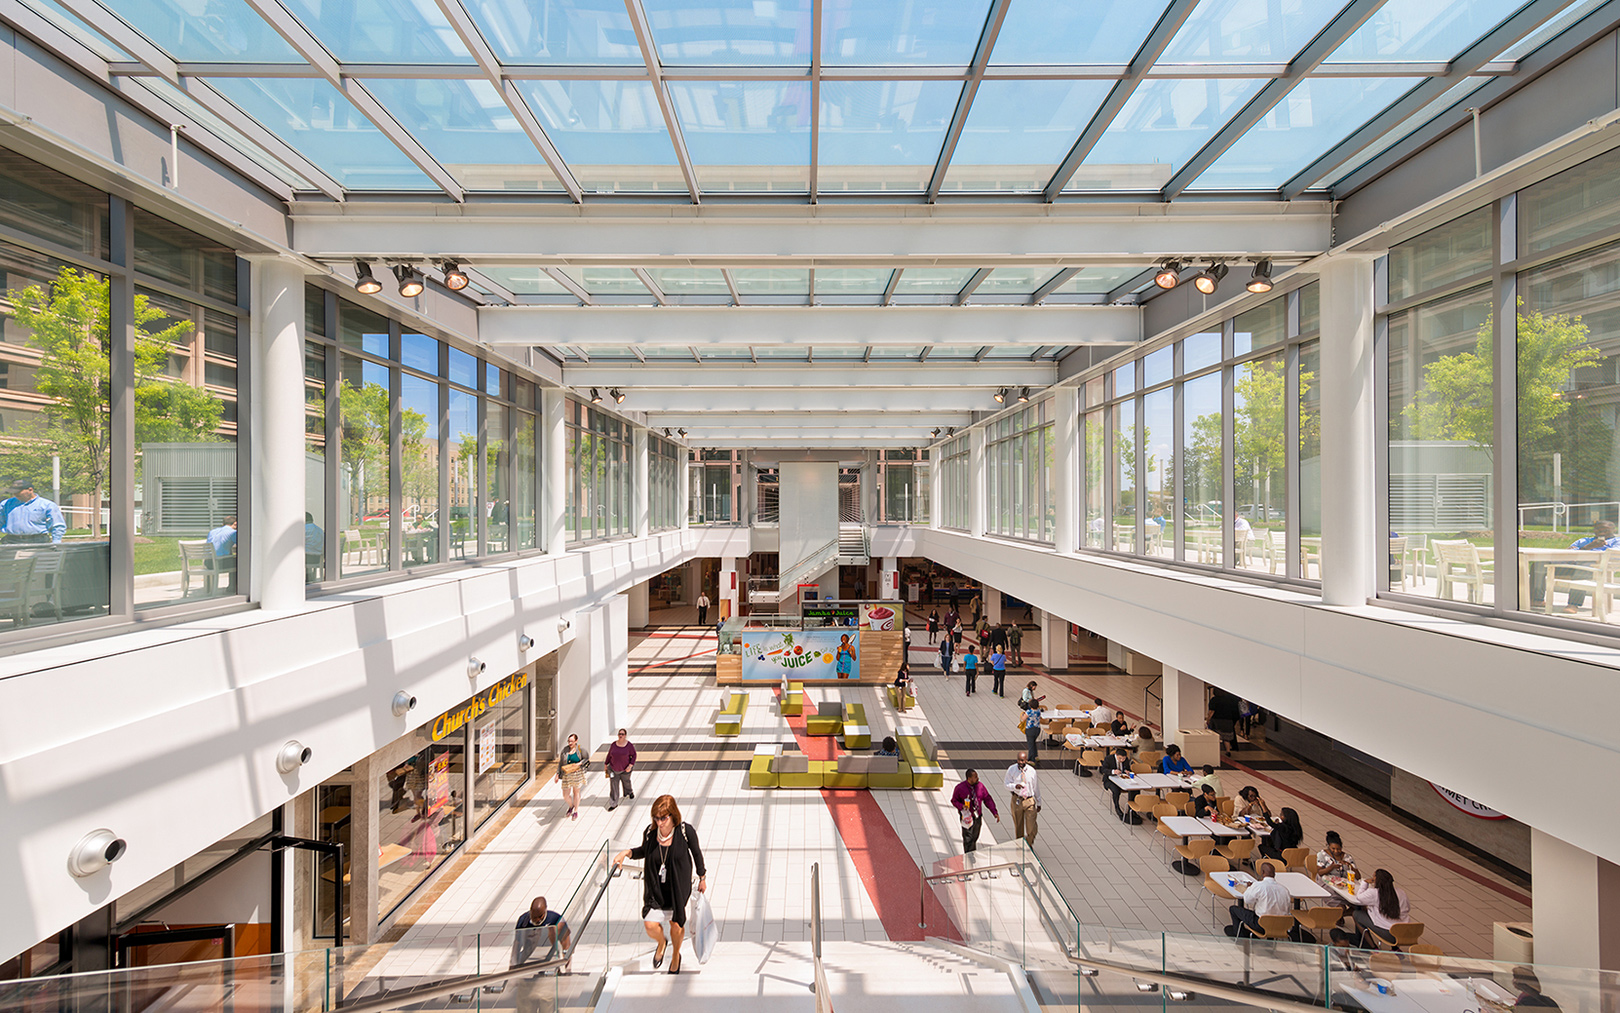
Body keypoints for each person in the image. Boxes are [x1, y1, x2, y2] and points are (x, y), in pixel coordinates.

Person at [613, 795, 706, 976]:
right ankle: (662, 943)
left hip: (678, 887)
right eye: (656, 818)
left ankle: (676, 956)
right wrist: (626, 853)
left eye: (663, 818)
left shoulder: (685, 831)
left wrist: (702, 877)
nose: (660, 822)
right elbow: (644, 851)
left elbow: (696, 854)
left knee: (676, 924)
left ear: (673, 816)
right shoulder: (650, 832)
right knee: (649, 924)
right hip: (656, 889)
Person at [1540, 520, 1620, 612]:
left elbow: (1612, 554)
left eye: (1605, 530)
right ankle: (1537, 599)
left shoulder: (1617, 541)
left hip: (1596, 568)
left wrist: (1584, 550)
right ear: (1594, 530)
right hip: (1572, 566)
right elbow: (1567, 552)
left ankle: (1573, 604)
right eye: (1598, 529)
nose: (1601, 532)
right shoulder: (1584, 540)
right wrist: (1588, 547)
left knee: (1584, 566)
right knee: (1540, 564)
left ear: (1614, 529)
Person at [1333, 868, 1411, 948]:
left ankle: (1372, 947)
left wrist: (1365, 883)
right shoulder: (1401, 892)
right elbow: (1407, 908)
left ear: (1375, 881)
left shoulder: (1374, 893)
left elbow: (1359, 898)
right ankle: (1395, 948)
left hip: (1390, 934)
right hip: (1405, 932)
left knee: (1357, 914)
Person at [1225, 862, 1292, 938]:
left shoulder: (1259, 886)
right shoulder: (1285, 890)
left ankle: (1240, 935)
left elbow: (1247, 900)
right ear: (1274, 874)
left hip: (1262, 925)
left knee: (1233, 909)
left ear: (1262, 872)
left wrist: (1250, 888)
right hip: (1281, 926)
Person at [511, 895, 571, 969]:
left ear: (545, 910)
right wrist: (513, 965)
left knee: (557, 929)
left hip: (549, 940)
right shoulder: (523, 921)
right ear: (531, 912)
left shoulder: (554, 919)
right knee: (524, 953)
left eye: (540, 916)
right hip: (530, 939)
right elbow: (517, 944)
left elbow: (566, 938)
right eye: (534, 917)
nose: (537, 920)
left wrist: (565, 957)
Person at [952, 769, 1001, 853]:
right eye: (975, 777)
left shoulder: (980, 786)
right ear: (969, 778)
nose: (977, 778)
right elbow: (954, 800)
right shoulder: (960, 788)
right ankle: (969, 856)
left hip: (977, 816)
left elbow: (987, 799)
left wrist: (994, 812)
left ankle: (972, 852)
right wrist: (961, 806)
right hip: (966, 817)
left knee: (974, 836)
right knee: (968, 838)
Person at [2, 480, 65, 544]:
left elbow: (57, 525)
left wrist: (56, 542)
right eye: (13, 492)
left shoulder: (47, 505)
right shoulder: (6, 504)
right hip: (12, 540)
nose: (15, 494)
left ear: (30, 490)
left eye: (18, 492)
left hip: (37, 540)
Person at [1004, 751, 1041, 845]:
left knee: (1031, 827)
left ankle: (1028, 843)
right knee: (1018, 825)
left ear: (1026, 760)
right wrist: (1014, 786)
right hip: (1017, 800)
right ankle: (1021, 846)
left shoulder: (1032, 771)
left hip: (1029, 800)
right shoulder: (1012, 770)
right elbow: (1006, 784)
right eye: (1019, 760)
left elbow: (1035, 787)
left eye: (1022, 760)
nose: (1020, 762)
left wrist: (1039, 801)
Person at [556, 733, 587, 821]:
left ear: (576, 741)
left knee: (576, 792)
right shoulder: (565, 750)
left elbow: (586, 759)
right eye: (569, 741)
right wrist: (557, 774)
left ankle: (576, 810)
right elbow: (561, 762)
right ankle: (571, 806)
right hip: (567, 774)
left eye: (572, 741)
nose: (570, 743)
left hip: (577, 774)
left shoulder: (580, 750)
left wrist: (579, 763)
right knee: (565, 795)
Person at [605, 728, 637, 811]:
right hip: (613, 769)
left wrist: (630, 766)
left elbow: (634, 755)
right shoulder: (613, 745)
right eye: (619, 734)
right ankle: (613, 803)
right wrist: (606, 764)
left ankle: (629, 792)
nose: (620, 735)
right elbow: (609, 755)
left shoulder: (629, 745)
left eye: (622, 734)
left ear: (625, 735)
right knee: (614, 786)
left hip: (625, 769)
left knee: (626, 782)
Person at [206, 515, 239, 591]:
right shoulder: (233, 532)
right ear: (235, 523)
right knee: (238, 562)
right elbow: (242, 545)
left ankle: (209, 589)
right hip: (220, 563)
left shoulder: (212, 532)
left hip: (208, 562)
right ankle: (232, 588)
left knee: (232, 559)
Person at [1101, 746, 1134, 821]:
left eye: (1124, 758)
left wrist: (1127, 771)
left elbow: (1128, 768)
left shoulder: (1126, 760)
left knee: (1134, 789)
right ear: (1116, 755)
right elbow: (1103, 770)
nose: (1122, 760)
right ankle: (1117, 807)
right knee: (1116, 790)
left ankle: (1132, 809)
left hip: (1122, 779)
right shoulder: (1109, 759)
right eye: (1120, 758)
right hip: (1110, 780)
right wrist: (1113, 771)